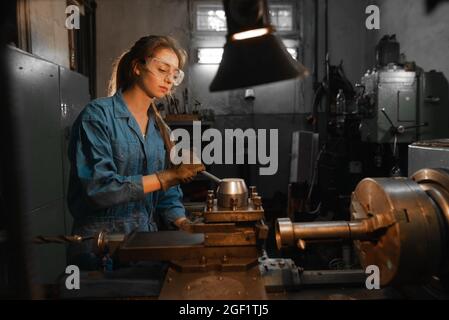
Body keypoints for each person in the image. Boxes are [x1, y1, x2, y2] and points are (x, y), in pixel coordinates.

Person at [67, 35, 205, 270]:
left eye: (174, 75)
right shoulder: (97, 116)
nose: (168, 80)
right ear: (137, 67)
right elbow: (99, 189)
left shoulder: (161, 130)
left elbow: (167, 196)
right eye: (162, 69)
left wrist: (184, 224)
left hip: (145, 244)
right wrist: (167, 177)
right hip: (98, 246)